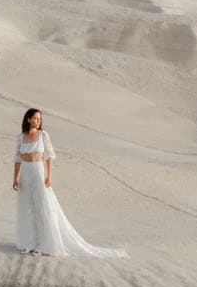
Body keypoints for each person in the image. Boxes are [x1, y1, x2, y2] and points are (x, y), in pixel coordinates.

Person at [12, 107, 125, 259]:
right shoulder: (21, 137)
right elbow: (18, 159)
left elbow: (49, 156)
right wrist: (15, 178)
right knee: (27, 206)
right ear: (28, 119)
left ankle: (43, 245)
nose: (38, 121)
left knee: (42, 206)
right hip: (25, 172)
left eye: (40, 119)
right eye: (36, 119)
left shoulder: (43, 135)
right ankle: (28, 243)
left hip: (38, 171)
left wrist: (49, 176)